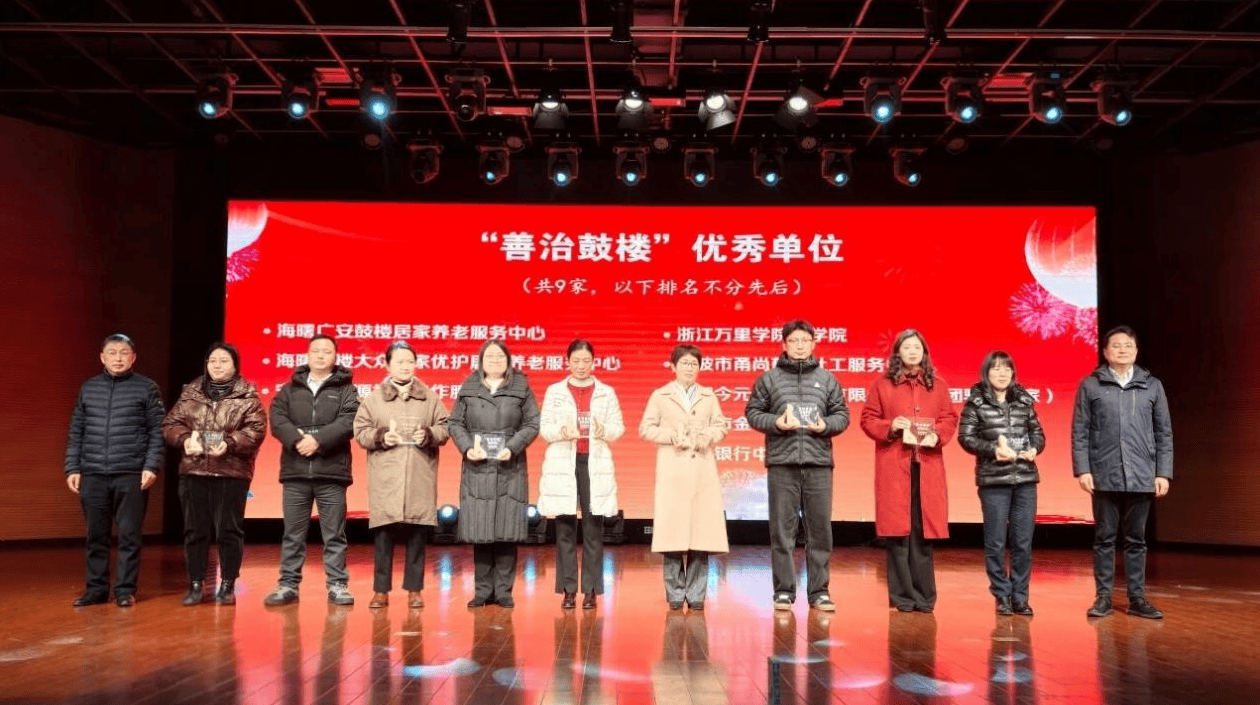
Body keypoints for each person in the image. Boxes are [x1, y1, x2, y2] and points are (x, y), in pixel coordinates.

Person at [745, 319, 850, 612]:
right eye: (794, 341)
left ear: (814, 344)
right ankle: (783, 591)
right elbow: (753, 412)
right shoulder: (769, 379)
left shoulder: (827, 380)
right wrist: (777, 422)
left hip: (818, 463)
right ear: (784, 345)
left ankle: (819, 591)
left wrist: (824, 425)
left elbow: (842, 415)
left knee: (820, 531)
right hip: (782, 463)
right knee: (782, 531)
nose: (800, 346)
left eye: (805, 340)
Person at [1072, 325, 1173, 620]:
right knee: (1104, 538)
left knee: (1136, 540)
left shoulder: (1152, 385)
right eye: (1116, 345)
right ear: (1105, 352)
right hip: (1104, 473)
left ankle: (1137, 598)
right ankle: (1103, 597)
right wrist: (1083, 469)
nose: (1122, 350)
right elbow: (1080, 431)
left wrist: (1163, 472)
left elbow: (1163, 432)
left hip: (1142, 474)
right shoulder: (1091, 385)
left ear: (1136, 351)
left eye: (1128, 345)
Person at [161, 342, 268, 606]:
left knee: (228, 531)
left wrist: (229, 443)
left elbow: (256, 430)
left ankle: (228, 584)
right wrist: (184, 439)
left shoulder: (247, 396)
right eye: (213, 361)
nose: (217, 366)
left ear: (235, 365)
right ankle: (196, 584)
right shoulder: (190, 393)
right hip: (194, 470)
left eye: (223, 361)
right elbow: (170, 424)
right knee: (194, 531)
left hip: (231, 472)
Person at [860, 329, 958, 613]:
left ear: (924, 352)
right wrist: (890, 426)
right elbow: (868, 419)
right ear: (898, 353)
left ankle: (924, 597)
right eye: (906, 347)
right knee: (898, 533)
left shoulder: (938, 386)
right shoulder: (883, 385)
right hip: (895, 465)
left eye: (917, 347)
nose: (912, 351)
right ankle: (903, 597)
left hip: (927, 465)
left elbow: (949, 418)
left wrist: (937, 434)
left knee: (923, 532)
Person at [64, 333, 165, 607]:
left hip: (131, 473)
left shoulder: (147, 388)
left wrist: (151, 465)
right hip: (92, 473)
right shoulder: (88, 388)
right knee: (95, 536)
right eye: (112, 353)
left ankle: (124, 590)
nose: (118, 358)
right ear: (102, 357)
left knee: (130, 536)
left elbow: (157, 431)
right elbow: (77, 430)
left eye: (123, 353)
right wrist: (72, 467)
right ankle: (96, 590)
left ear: (133, 358)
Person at [264, 334, 360, 606]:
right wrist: (298, 441)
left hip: (332, 472)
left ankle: (338, 585)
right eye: (316, 350)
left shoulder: (346, 390)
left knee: (334, 535)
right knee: (292, 534)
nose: (320, 355)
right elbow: (277, 419)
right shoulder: (289, 390)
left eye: (326, 351)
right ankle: (288, 585)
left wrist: (317, 441)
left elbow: (349, 420)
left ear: (335, 356)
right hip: (295, 472)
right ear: (307, 355)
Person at [353, 341, 450, 609]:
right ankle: (381, 590)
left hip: (419, 472)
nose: (405, 366)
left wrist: (428, 435)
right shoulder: (374, 400)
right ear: (387, 365)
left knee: (417, 534)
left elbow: (445, 427)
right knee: (383, 535)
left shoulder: (429, 398)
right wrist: (382, 436)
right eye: (399, 362)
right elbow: (360, 431)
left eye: (410, 361)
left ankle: (414, 590)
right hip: (386, 475)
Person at [448, 339, 540, 608]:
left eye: (500, 357)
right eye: (489, 357)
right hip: (478, 467)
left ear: (508, 361)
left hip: (509, 466)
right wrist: (467, 447)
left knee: (506, 530)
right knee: (481, 530)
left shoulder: (521, 387)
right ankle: (482, 591)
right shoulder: (469, 388)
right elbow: (455, 423)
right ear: (481, 361)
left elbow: (533, 423)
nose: (495, 361)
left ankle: (504, 591)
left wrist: (513, 447)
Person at [640, 344, 730, 611]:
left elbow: (721, 425)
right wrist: (671, 436)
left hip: (702, 469)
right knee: (672, 536)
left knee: (701, 536)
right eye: (684, 363)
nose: (690, 368)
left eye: (694, 364)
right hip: (673, 470)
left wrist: (708, 437)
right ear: (673, 366)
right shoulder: (660, 395)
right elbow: (646, 428)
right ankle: (675, 593)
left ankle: (697, 593)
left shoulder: (708, 396)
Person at [957, 351, 1046, 616]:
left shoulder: (1024, 400)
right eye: (996, 369)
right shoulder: (976, 402)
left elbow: (1038, 434)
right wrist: (993, 449)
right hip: (994, 479)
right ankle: (1002, 594)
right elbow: (965, 438)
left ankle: (1020, 596)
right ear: (986, 373)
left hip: (1025, 479)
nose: (1002, 373)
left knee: (1022, 542)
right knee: (995, 542)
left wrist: (1034, 449)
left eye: (1006, 369)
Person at [538, 340, 625, 610]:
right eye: (576, 361)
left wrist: (602, 430)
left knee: (593, 529)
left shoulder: (606, 392)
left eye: (586, 361)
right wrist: (561, 433)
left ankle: (591, 590)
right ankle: (568, 590)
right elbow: (544, 428)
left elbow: (618, 427)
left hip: (593, 463)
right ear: (568, 362)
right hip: (563, 462)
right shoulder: (555, 391)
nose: (581, 366)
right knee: (564, 528)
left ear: (593, 362)